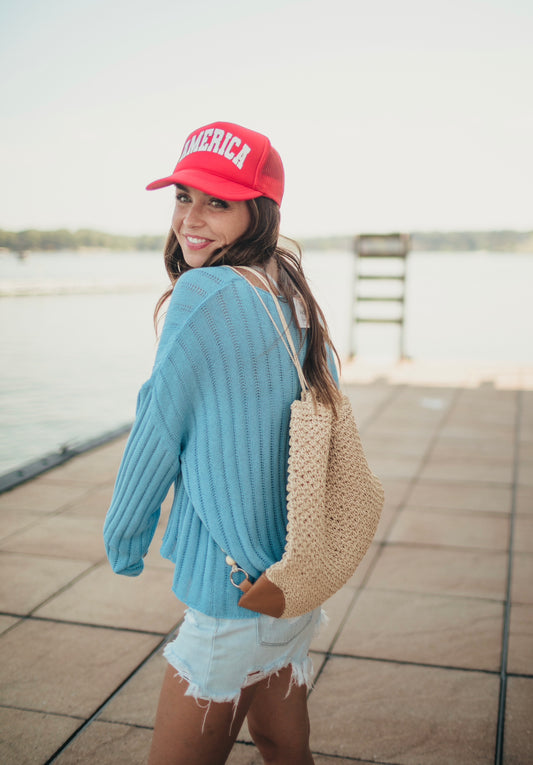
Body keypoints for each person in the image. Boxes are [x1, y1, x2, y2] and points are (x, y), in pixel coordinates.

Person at [103, 121, 341, 765]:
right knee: (282, 744)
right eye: (184, 196)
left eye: (218, 202)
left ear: (257, 211)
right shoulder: (289, 288)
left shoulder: (202, 293)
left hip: (230, 584)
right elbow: (326, 398)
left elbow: (157, 427)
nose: (192, 218)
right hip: (293, 578)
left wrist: (125, 535)